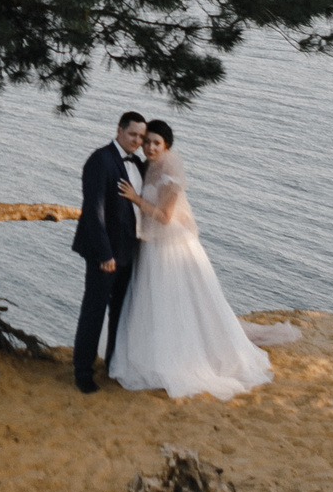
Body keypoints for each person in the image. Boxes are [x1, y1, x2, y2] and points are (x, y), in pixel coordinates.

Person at [108, 120, 296, 401]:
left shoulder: (170, 170)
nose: (150, 147)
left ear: (166, 145)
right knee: (154, 302)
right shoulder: (147, 166)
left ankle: (180, 357)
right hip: (150, 245)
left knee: (175, 302)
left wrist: (136, 199)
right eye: (147, 141)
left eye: (156, 142)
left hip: (171, 247)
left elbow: (165, 216)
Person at [70, 110, 147, 393]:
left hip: (129, 250)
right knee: (94, 310)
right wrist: (104, 255)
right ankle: (82, 371)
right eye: (132, 134)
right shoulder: (100, 160)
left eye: (140, 137)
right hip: (104, 254)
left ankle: (113, 363)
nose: (136, 141)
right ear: (119, 131)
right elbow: (94, 211)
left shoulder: (138, 164)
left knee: (120, 311)